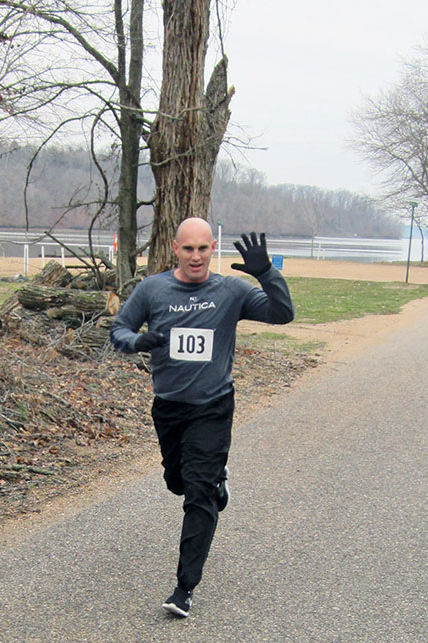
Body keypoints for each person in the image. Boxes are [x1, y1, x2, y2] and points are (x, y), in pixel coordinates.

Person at [110, 217, 294, 617]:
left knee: (199, 493)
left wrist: (266, 272)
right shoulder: (153, 289)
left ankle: (184, 588)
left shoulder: (231, 291)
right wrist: (138, 341)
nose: (196, 257)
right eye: (189, 249)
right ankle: (216, 478)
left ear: (213, 249)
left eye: (203, 248)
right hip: (169, 407)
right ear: (176, 249)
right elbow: (118, 329)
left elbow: (283, 314)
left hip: (212, 407)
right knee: (177, 482)